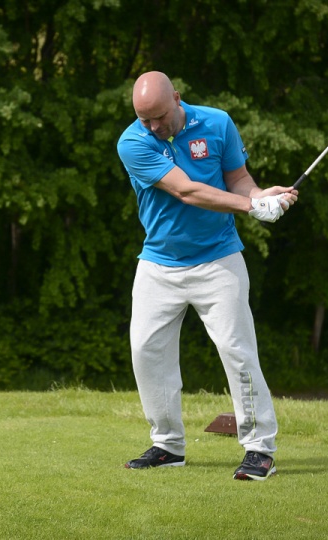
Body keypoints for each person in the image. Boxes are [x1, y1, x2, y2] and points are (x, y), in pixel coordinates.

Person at [116, 71, 297, 480]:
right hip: (159, 263)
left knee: (238, 351)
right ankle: (167, 445)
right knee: (146, 352)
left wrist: (259, 196)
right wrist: (250, 209)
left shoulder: (218, 123)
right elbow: (187, 191)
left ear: (177, 98)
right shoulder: (133, 142)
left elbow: (238, 179)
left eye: (159, 117)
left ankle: (259, 449)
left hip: (218, 261)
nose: (154, 127)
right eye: (144, 120)